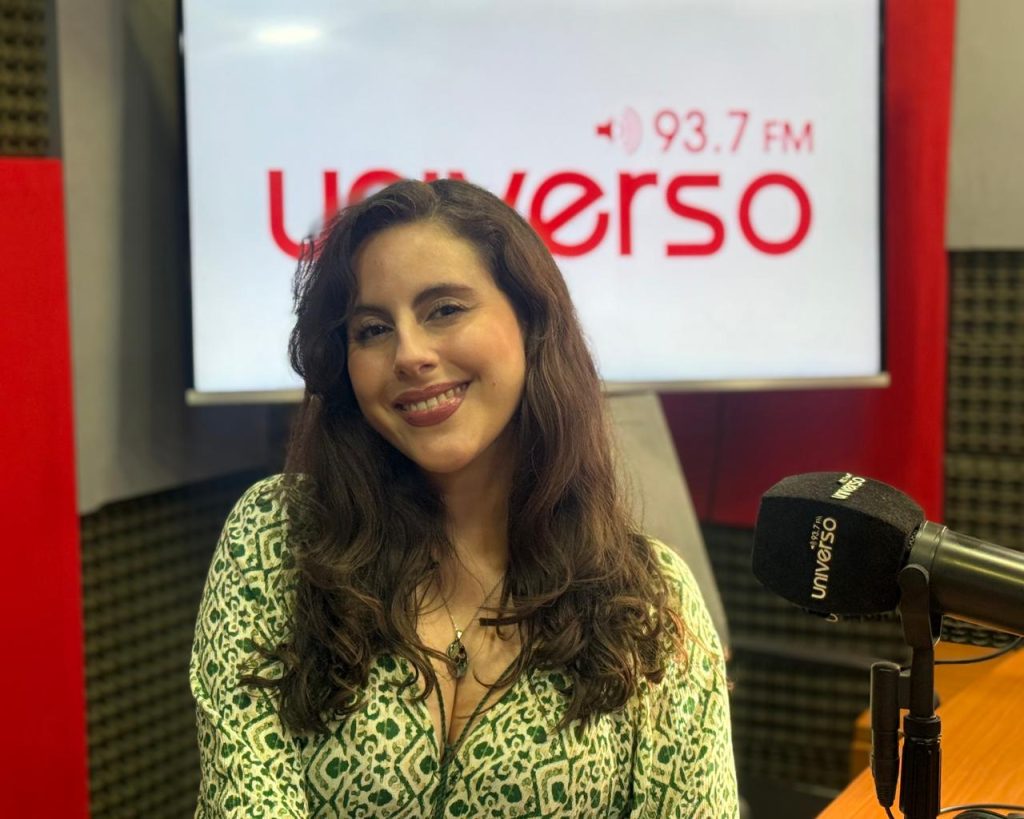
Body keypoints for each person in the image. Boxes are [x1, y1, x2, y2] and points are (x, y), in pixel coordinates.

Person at [190, 179, 738, 818]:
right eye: (372, 329)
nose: (409, 355)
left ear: (531, 322)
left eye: (444, 309)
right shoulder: (277, 538)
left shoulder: (650, 600)